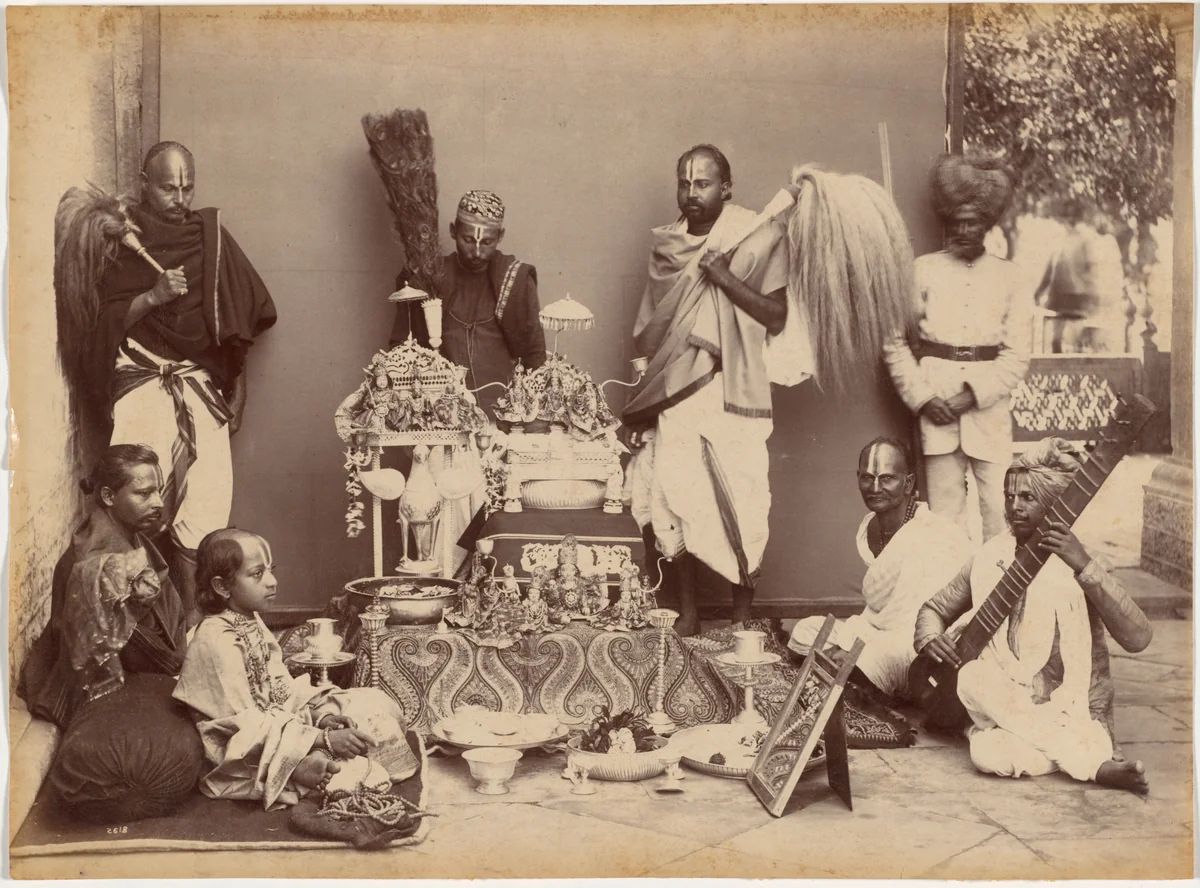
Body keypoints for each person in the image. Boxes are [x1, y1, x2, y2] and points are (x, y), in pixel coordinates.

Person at [86, 141, 277, 625]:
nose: (180, 197)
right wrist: (152, 296)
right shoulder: (120, 238)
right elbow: (101, 321)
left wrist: (238, 390)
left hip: (198, 387)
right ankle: (142, 630)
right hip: (143, 382)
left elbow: (239, 325)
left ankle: (195, 624)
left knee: (208, 501)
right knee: (137, 497)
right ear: (145, 183)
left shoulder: (209, 235)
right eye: (168, 187)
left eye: (187, 186)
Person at [622, 145, 801, 636]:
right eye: (684, 182)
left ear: (726, 188)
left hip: (730, 386)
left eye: (703, 183)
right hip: (674, 392)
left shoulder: (756, 236)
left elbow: (776, 315)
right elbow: (652, 332)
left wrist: (723, 278)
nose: (691, 192)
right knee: (672, 496)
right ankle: (690, 612)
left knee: (742, 499)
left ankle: (742, 615)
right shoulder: (667, 247)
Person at [913, 438, 1149, 794]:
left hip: (1065, 705)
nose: (1014, 507)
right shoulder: (989, 556)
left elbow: (1138, 637)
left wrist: (1082, 563)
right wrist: (931, 638)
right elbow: (934, 609)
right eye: (1010, 497)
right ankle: (1089, 763)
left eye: (1027, 497)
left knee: (992, 754)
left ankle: (1068, 755)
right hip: (1002, 699)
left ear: (1054, 504)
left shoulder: (1079, 558)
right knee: (973, 680)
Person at [173, 529, 419, 810]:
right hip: (242, 746)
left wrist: (322, 717)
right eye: (257, 574)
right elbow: (242, 723)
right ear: (222, 587)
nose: (272, 582)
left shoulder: (248, 619)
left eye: (271, 570)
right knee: (356, 776)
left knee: (373, 703)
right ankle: (303, 766)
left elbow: (280, 689)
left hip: (279, 725)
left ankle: (312, 760)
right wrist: (321, 738)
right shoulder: (215, 640)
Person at [885, 154, 1030, 543]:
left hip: (990, 412)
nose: (964, 229)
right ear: (947, 224)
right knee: (945, 520)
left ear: (987, 225)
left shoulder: (1010, 278)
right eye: (957, 222)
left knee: (1001, 513)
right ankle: (952, 602)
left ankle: (997, 599)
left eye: (974, 222)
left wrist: (973, 396)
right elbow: (894, 341)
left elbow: (1017, 355)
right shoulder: (922, 271)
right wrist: (922, 398)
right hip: (936, 409)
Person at [787, 437, 973, 699]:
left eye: (886, 479)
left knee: (870, 658)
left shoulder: (938, 533)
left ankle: (864, 677)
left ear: (907, 483)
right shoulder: (869, 527)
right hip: (872, 629)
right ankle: (857, 674)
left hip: (913, 642)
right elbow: (876, 611)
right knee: (805, 630)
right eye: (867, 477)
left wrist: (858, 646)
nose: (875, 488)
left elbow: (936, 618)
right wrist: (855, 640)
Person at [19, 445, 187, 729]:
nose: (158, 503)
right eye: (144, 494)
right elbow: (109, 651)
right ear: (109, 496)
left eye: (158, 491)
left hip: (138, 661)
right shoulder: (97, 565)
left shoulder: (132, 538)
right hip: (99, 679)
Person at [390, 190, 547, 418]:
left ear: (500, 236)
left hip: (503, 414)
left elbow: (534, 353)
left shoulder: (514, 280)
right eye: (468, 240)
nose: (476, 252)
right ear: (453, 231)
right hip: (441, 415)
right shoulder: (431, 278)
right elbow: (405, 348)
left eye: (487, 242)